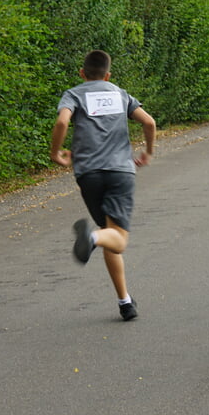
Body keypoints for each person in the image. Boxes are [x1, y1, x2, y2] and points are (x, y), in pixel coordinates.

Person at [50, 49, 156, 321]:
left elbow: (63, 120)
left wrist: (56, 152)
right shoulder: (120, 94)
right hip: (120, 171)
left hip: (88, 174)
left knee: (111, 231)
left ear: (82, 73)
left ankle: (125, 302)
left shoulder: (74, 93)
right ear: (108, 75)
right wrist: (148, 152)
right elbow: (149, 122)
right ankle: (92, 238)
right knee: (116, 239)